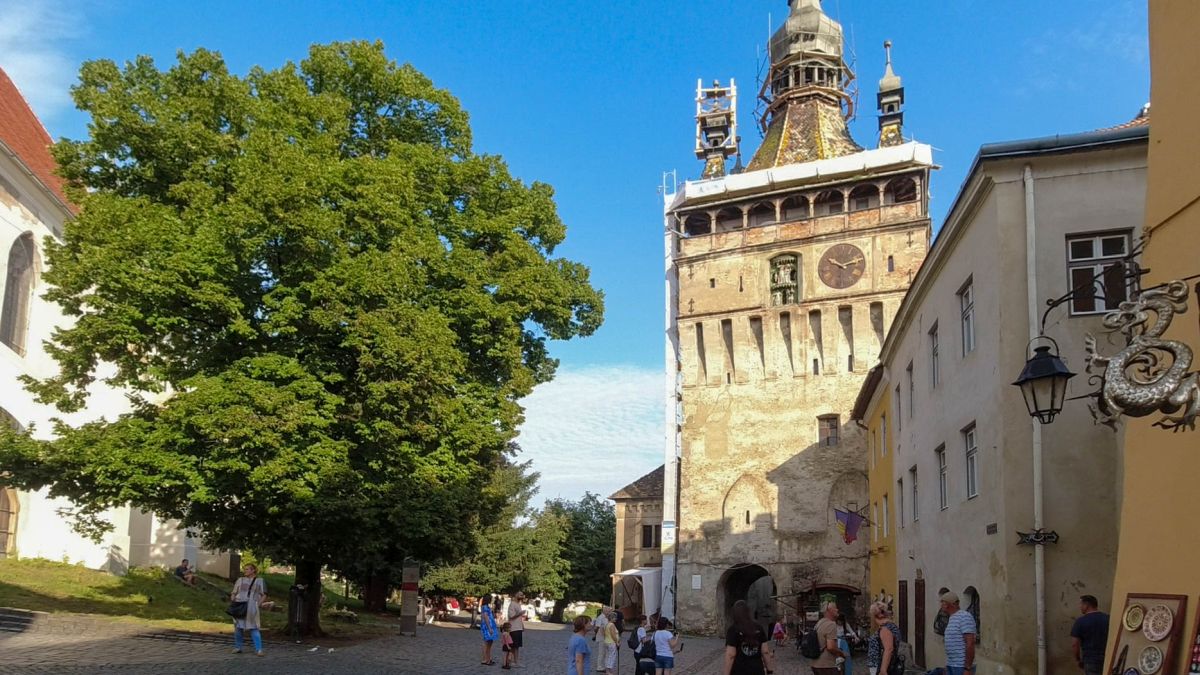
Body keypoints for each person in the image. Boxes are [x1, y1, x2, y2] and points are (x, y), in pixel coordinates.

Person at [724, 599, 775, 675]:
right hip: (756, 670)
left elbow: (731, 654)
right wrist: (769, 670)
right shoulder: (758, 628)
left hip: (739, 670)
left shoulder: (733, 630)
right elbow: (765, 652)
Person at [230, 563, 267, 656]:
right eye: (245, 569)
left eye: (247, 569)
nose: (245, 571)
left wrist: (258, 604)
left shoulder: (259, 581)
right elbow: (234, 592)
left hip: (251, 606)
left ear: (253, 570)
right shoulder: (240, 580)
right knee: (238, 626)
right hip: (239, 604)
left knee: (254, 627)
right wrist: (233, 599)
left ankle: (259, 649)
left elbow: (264, 594)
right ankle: (238, 647)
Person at [1070, 594, 1109, 675]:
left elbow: (1074, 644)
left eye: (1081, 604)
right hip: (1108, 657)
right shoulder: (1108, 618)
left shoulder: (1080, 622)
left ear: (1086, 605)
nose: (1080, 607)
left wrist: (1077, 659)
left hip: (1090, 660)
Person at [941, 591, 976, 675]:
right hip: (952, 665)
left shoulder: (964, 616)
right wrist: (948, 664)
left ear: (949, 604)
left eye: (943, 602)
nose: (941, 605)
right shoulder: (952, 618)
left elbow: (970, 643)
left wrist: (967, 668)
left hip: (961, 667)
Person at [811, 601, 846, 675]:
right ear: (829, 610)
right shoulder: (831, 624)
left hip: (816, 663)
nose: (837, 610)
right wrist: (841, 653)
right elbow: (830, 647)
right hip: (827, 665)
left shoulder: (819, 623)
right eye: (835, 608)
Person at [866, 602, 901, 675]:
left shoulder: (885, 628)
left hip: (880, 665)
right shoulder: (890, 626)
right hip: (886, 664)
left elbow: (889, 649)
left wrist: (883, 670)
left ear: (875, 615)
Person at [507, 591, 529, 668]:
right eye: (520, 594)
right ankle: (512, 662)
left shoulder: (518, 604)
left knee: (517, 646)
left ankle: (515, 662)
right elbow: (511, 616)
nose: (522, 596)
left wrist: (522, 625)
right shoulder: (512, 604)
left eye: (522, 595)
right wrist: (520, 613)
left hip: (518, 628)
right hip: (513, 628)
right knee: (514, 646)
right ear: (516, 595)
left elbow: (519, 618)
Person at [480, 593, 499, 666]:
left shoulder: (486, 606)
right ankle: (486, 659)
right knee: (487, 643)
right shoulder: (485, 607)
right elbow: (485, 617)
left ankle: (488, 658)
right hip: (487, 626)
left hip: (490, 625)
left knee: (489, 643)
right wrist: (489, 628)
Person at [592, 607, 610, 672]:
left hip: (606, 637)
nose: (609, 613)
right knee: (601, 653)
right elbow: (597, 627)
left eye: (609, 611)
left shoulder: (606, 618)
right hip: (602, 637)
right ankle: (599, 667)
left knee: (605, 652)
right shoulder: (600, 618)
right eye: (608, 611)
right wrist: (595, 635)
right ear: (604, 611)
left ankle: (604, 666)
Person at [603, 609, 620, 674]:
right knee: (611, 656)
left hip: (607, 641)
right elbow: (613, 635)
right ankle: (608, 670)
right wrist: (617, 642)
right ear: (611, 618)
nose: (616, 619)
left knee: (608, 656)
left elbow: (605, 634)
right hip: (611, 642)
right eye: (615, 617)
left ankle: (608, 670)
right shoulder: (612, 625)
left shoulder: (607, 624)